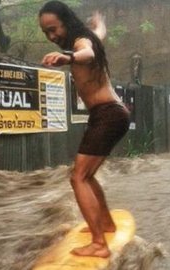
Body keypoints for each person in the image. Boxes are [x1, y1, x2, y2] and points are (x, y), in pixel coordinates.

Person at [39, 1, 131, 258]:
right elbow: (99, 37)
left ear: (66, 22)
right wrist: (100, 25)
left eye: (53, 29)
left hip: (107, 115)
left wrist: (67, 57)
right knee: (86, 176)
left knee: (77, 177)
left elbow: (87, 53)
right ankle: (107, 225)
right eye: (46, 32)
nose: (52, 36)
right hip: (112, 114)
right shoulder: (88, 36)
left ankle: (99, 243)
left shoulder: (80, 43)